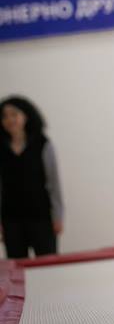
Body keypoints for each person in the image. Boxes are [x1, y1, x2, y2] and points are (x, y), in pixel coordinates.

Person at [0, 96, 64, 259]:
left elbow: (54, 183)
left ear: (26, 116)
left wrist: (58, 216)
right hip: (11, 220)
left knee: (48, 266)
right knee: (16, 267)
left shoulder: (43, 144)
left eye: (14, 114)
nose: (9, 120)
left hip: (41, 218)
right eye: (4, 116)